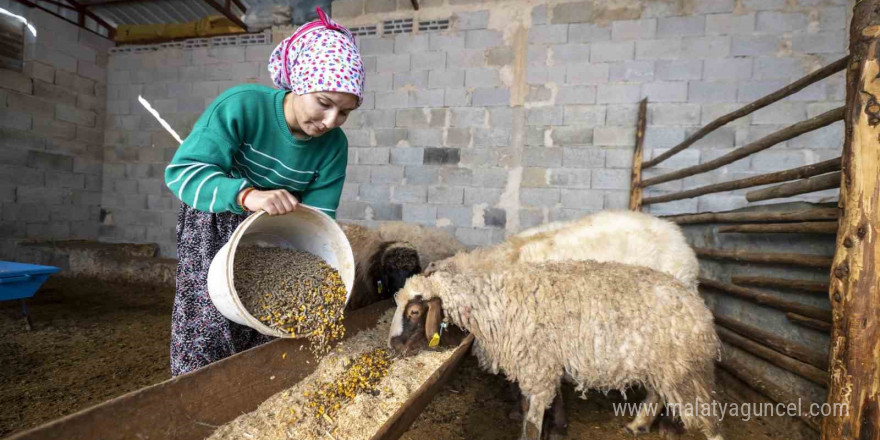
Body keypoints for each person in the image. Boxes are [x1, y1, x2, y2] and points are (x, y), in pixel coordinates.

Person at [163, 8, 365, 376]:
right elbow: (183, 174)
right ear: (300, 82)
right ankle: (196, 395)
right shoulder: (242, 106)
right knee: (209, 321)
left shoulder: (334, 147)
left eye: (344, 113)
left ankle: (255, 394)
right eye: (324, 102)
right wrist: (246, 195)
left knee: (273, 324)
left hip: (277, 238)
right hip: (214, 222)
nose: (330, 122)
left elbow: (318, 223)